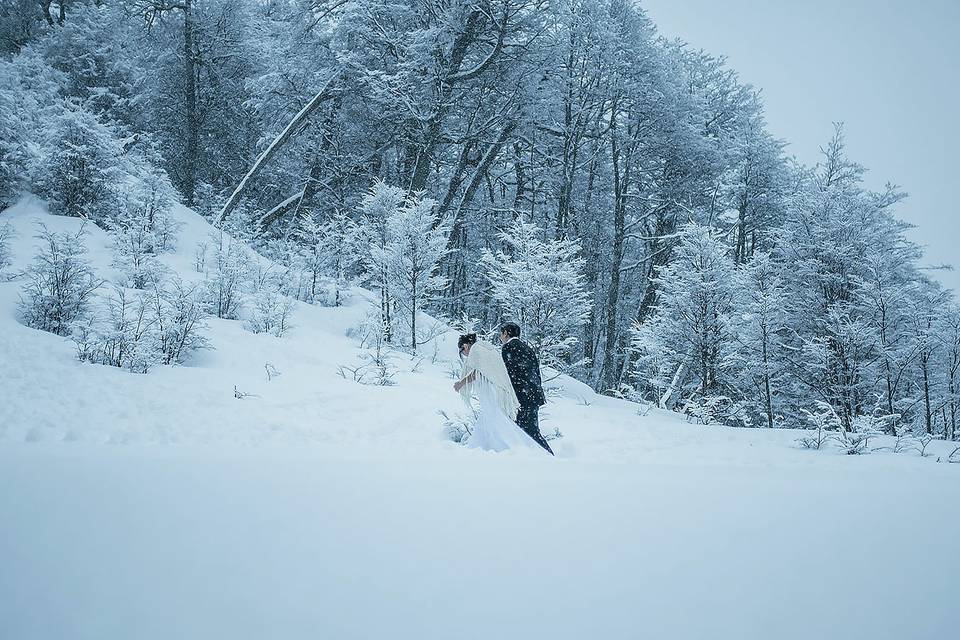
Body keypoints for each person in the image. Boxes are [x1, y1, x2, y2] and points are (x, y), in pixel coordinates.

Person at [453, 333, 544, 453]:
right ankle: (483, 448)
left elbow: (478, 372)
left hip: (490, 394)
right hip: (495, 392)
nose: (464, 355)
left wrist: (461, 383)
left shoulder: (477, 350)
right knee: (491, 420)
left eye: (462, 351)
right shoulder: (486, 349)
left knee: (496, 420)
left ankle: (514, 449)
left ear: (465, 346)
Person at [499, 321, 554, 455]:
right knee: (526, 430)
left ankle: (549, 456)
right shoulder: (527, 348)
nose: (500, 337)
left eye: (501, 333)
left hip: (522, 396)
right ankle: (533, 457)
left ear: (506, 333)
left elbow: (508, 373)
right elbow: (535, 372)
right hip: (534, 394)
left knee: (527, 431)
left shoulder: (508, 348)